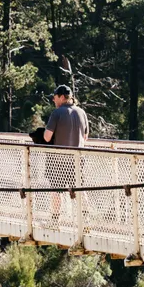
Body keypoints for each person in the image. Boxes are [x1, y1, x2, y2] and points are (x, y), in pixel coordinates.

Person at [38, 85, 87, 223]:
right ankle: (85, 220)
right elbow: (85, 137)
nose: (53, 100)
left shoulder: (57, 113)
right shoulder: (81, 112)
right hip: (77, 159)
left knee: (56, 190)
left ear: (61, 97)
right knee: (79, 189)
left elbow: (47, 137)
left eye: (55, 97)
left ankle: (55, 220)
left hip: (58, 160)